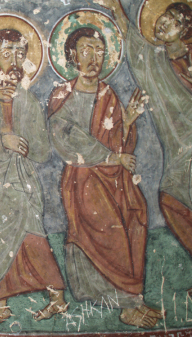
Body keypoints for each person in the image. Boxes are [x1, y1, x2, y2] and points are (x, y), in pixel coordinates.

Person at [48, 27, 163, 329]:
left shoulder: (107, 93)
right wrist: (112, 157)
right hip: (84, 181)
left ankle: (122, 296)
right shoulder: (64, 94)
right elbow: (65, 137)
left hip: (115, 179)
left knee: (134, 219)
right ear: (72, 55)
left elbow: (119, 144)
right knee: (106, 232)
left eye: (100, 51)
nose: (94, 58)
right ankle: (126, 305)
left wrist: (127, 122)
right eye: (86, 50)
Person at [0, 29, 68, 329]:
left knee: (33, 239)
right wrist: (1, 142)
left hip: (22, 185)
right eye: (6, 53)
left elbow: (42, 151)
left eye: (20, 53)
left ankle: (57, 298)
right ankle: (0, 305)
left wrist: (21, 144)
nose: (14, 60)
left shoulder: (30, 102)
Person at [100, 0, 192, 300]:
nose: (166, 21)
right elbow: (135, 45)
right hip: (180, 149)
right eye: (167, 14)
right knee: (170, 199)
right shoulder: (155, 59)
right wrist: (116, 8)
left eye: (176, 20)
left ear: (186, 30)